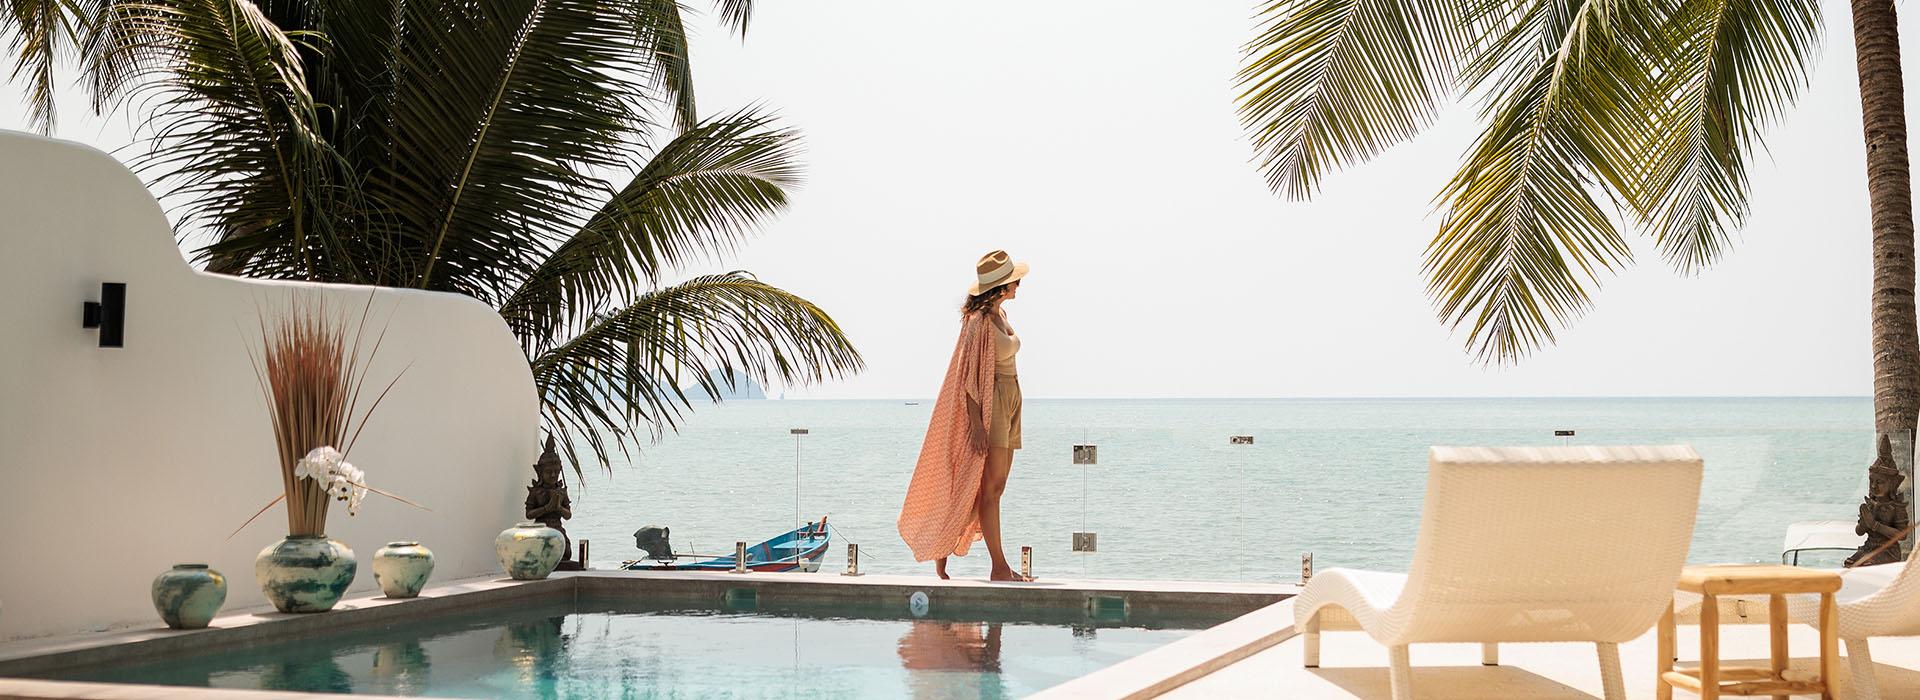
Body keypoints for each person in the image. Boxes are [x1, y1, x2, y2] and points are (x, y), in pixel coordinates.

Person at [897, 250, 1033, 581]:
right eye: (1014, 280)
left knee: (995, 486)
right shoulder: (978, 324)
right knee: (989, 488)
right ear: (1001, 286)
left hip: (1011, 399)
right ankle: (999, 567)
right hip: (993, 403)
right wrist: (975, 425)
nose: (1018, 285)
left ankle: (949, 547)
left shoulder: (999, 317)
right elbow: (967, 379)